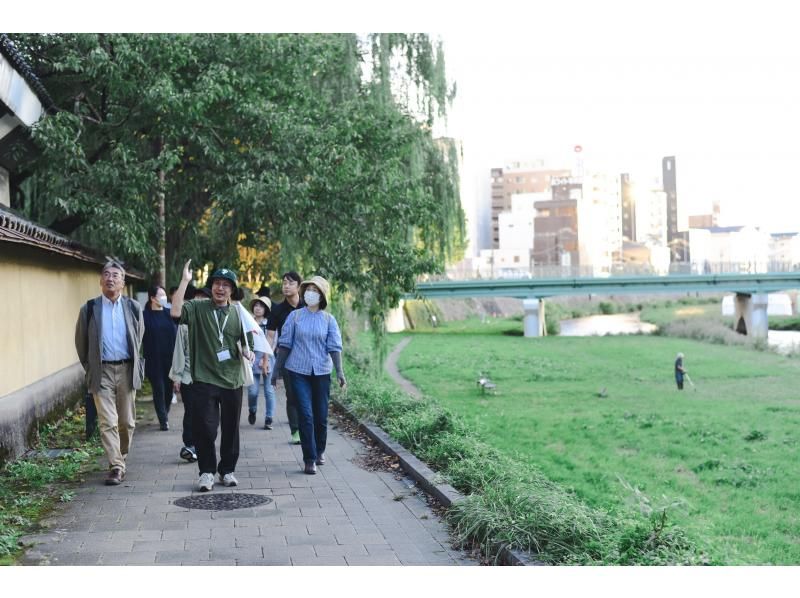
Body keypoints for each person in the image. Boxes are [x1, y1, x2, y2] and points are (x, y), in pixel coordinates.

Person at [171, 261, 254, 492]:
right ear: (211, 286)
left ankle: (227, 470)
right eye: (217, 283)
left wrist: (249, 352)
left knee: (231, 428)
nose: (221, 288)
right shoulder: (197, 308)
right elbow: (176, 311)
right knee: (205, 428)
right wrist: (185, 281)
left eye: (226, 285)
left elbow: (248, 342)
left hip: (232, 379)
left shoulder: (238, 312)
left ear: (232, 290)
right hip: (204, 379)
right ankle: (206, 471)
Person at [74, 260, 145, 486]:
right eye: (106, 274)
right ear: (100, 281)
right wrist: (91, 367)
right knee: (108, 421)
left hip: (126, 368)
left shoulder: (133, 307)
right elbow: (81, 342)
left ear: (123, 282)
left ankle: (120, 456)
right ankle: (115, 465)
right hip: (101, 370)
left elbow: (139, 336)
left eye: (115, 275)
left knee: (126, 422)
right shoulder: (90, 308)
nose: (110, 278)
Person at [271, 276, 346, 474]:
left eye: (315, 290)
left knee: (320, 415)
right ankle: (309, 458)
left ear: (321, 296)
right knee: (305, 414)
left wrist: (340, 372)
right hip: (298, 371)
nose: (310, 293)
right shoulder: (295, 317)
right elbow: (284, 345)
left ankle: (320, 450)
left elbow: (334, 347)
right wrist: (275, 371)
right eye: (308, 289)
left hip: (321, 371)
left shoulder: (329, 320)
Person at [169, 284, 212, 463]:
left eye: (204, 298)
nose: (199, 301)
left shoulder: (214, 323)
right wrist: (177, 376)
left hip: (210, 377)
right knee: (190, 411)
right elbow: (179, 350)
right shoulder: (185, 324)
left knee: (207, 413)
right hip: (188, 376)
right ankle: (190, 445)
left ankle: (203, 444)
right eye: (196, 298)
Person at [266, 271, 305, 444]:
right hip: (288, 359)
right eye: (284, 283)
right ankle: (296, 430)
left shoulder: (307, 306)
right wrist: (266, 359)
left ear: (298, 286)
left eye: (290, 283)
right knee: (292, 395)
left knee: (307, 395)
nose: (286, 286)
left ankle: (307, 426)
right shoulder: (277, 310)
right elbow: (269, 336)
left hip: (308, 357)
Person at [143, 285, 178, 430]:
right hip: (153, 360)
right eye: (161, 295)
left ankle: (165, 413)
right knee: (159, 389)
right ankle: (163, 420)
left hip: (169, 359)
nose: (164, 298)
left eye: (165, 295)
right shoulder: (144, 316)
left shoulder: (170, 313)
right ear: (152, 298)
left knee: (169, 391)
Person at [247, 295, 277, 429]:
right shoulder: (248, 322)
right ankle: (252, 410)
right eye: (256, 305)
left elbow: (273, 342)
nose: (258, 308)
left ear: (266, 309)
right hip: (251, 359)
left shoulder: (270, 324)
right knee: (252, 391)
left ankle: (269, 418)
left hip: (268, 359)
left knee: (269, 391)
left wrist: (266, 359)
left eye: (261, 306)